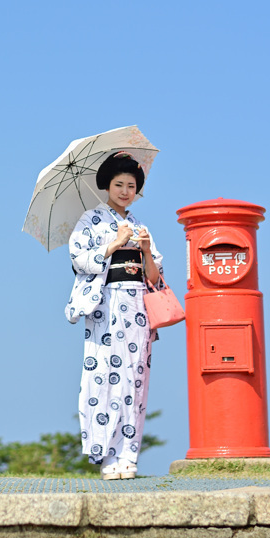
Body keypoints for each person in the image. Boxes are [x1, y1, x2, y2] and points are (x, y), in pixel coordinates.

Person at [65, 152, 164, 480]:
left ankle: (128, 455)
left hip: (137, 310)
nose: (124, 190)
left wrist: (146, 251)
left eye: (131, 186)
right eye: (119, 184)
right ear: (106, 186)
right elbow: (80, 261)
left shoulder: (140, 226)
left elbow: (154, 277)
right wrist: (114, 244)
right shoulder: (90, 220)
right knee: (103, 379)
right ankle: (107, 456)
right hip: (105, 308)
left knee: (135, 382)